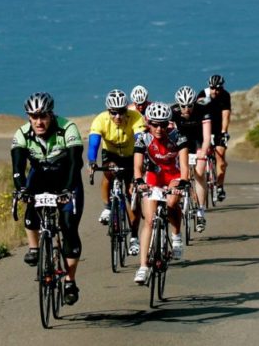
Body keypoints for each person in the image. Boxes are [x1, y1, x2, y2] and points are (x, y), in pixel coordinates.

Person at [11, 92, 85, 305]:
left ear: (51, 115)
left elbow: (74, 163)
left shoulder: (67, 128)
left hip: (66, 178)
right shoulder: (22, 134)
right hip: (40, 176)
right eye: (34, 117)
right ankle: (34, 248)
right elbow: (17, 167)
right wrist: (21, 188)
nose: (39, 121)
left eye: (43, 116)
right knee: (30, 206)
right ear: (28, 117)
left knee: (69, 227)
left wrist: (68, 190)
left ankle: (70, 281)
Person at [132, 101, 190, 284]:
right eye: (155, 124)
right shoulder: (143, 138)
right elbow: (138, 165)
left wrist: (183, 183)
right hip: (153, 177)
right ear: (148, 123)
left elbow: (185, 166)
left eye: (163, 124)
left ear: (169, 123)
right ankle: (142, 266)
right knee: (149, 221)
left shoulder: (178, 136)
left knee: (172, 203)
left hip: (173, 175)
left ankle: (176, 235)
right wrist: (139, 181)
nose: (159, 128)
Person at [87, 89, 146, 255]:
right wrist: (92, 161)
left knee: (133, 195)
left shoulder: (135, 118)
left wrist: (142, 165)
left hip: (131, 155)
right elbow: (93, 144)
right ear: (108, 111)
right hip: (111, 155)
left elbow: (141, 140)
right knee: (108, 171)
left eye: (121, 112)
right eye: (114, 113)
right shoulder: (100, 120)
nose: (118, 117)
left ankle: (134, 237)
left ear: (127, 109)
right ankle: (107, 207)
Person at [172, 85, 212, 232]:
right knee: (183, 175)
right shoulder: (173, 112)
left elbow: (207, 137)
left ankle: (201, 211)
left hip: (198, 143)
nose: (186, 109)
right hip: (181, 145)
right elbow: (169, 136)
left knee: (200, 172)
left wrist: (204, 152)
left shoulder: (202, 110)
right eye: (183, 106)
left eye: (190, 105)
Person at [198, 74, 232, 202]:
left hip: (218, 130)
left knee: (220, 158)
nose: (215, 91)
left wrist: (224, 132)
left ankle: (219, 186)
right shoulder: (203, 94)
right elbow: (197, 112)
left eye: (218, 89)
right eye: (213, 88)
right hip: (205, 128)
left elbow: (226, 115)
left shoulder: (225, 96)